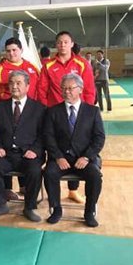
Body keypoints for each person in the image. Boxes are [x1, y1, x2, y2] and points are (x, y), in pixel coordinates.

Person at [37, 31, 94, 203]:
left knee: (77, 148)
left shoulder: (82, 64)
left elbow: (90, 89)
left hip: (77, 113)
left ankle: (73, 190)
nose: (62, 45)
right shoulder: (47, 65)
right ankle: (54, 194)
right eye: (59, 42)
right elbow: (41, 90)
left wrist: (87, 112)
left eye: (65, 42)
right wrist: (48, 112)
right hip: (55, 115)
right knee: (56, 148)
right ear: (56, 45)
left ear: (71, 44)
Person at [43, 73, 105, 227]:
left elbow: (99, 138)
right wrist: (58, 157)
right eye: (63, 89)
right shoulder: (53, 111)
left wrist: (86, 157)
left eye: (70, 88)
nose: (67, 92)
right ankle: (56, 209)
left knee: (95, 176)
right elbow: (48, 137)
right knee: (49, 173)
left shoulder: (92, 111)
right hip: (61, 158)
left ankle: (89, 212)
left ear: (80, 89)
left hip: (83, 158)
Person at [0, 71, 45, 222]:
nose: (14, 86)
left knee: (35, 170)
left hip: (28, 154)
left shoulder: (39, 109)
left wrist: (35, 150)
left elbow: (43, 135)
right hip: (5, 153)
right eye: (11, 83)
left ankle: (29, 207)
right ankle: (0, 204)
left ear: (28, 86)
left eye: (18, 83)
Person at [0, 37, 40, 112]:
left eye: (14, 50)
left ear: (21, 50)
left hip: (32, 111)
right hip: (9, 113)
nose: (11, 53)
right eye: (8, 51)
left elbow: (40, 90)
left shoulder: (33, 68)